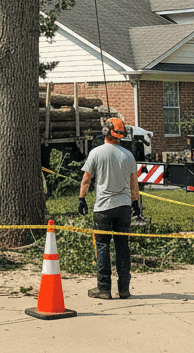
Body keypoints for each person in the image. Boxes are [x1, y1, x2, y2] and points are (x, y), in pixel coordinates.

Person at [78, 117, 141, 300]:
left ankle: (104, 288)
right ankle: (124, 289)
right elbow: (133, 184)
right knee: (123, 247)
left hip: (103, 208)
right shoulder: (128, 155)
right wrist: (135, 204)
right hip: (123, 208)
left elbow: (86, 180)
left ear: (106, 131)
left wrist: (82, 199)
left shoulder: (96, 153)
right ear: (121, 135)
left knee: (103, 246)